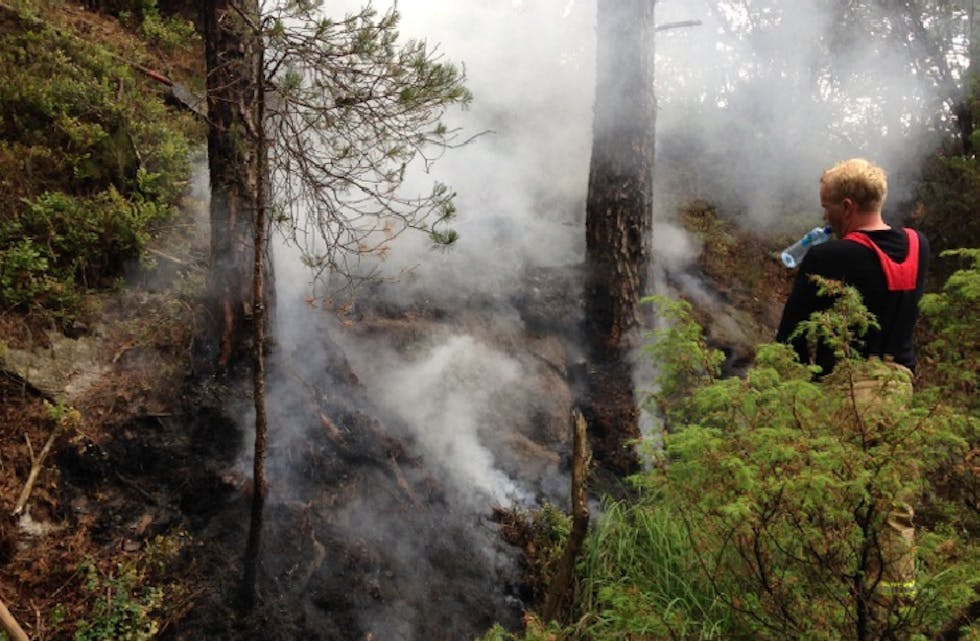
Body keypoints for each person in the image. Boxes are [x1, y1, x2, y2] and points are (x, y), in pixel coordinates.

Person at [776, 158, 930, 622]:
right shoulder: (919, 246)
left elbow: (791, 338)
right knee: (892, 508)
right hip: (899, 388)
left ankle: (835, 613)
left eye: (826, 207)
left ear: (846, 206)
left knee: (837, 500)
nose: (822, 217)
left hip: (848, 391)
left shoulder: (828, 257)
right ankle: (895, 613)